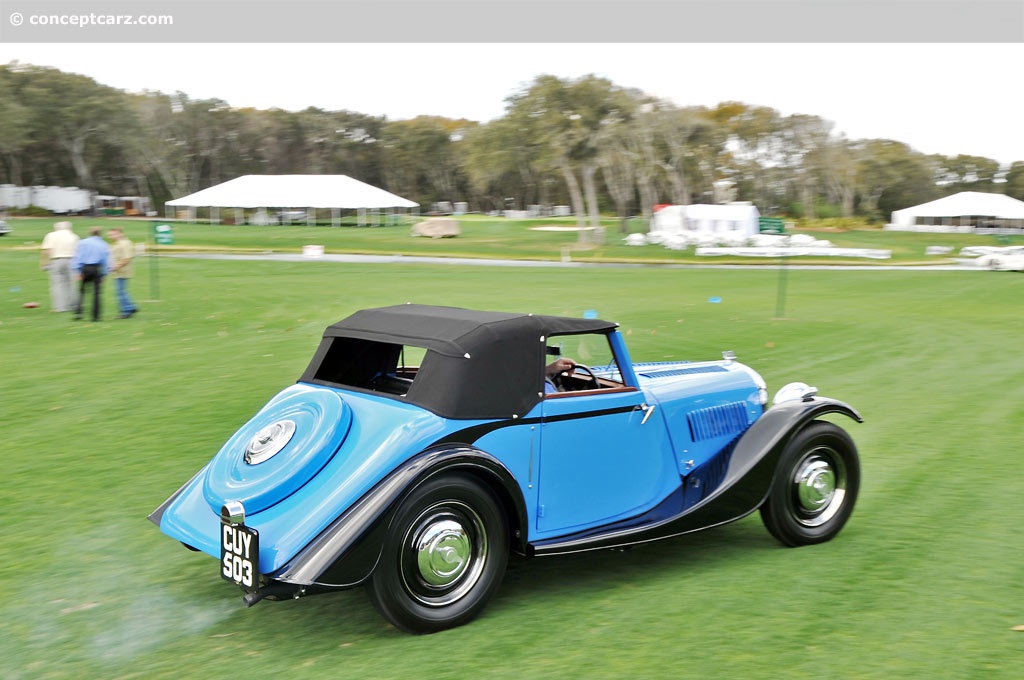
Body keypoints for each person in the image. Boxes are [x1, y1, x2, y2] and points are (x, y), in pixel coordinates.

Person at [40, 220, 80, 312]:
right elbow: (78, 251)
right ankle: (73, 305)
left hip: (56, 260)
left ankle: (60, 307)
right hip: (72, 260)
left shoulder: (51, 235)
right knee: (71, 284)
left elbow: (46, 250)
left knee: (58, 284)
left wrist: (44, 262)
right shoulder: (74, 236)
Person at [72, 227, 110, 321]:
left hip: (86, 267)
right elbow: (105, 260)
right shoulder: (103, 244)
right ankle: (95, 316)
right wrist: (104, 273)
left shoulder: (83, 242)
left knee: (82, 291)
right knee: (97, 293)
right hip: (96, 268)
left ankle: (79, 312)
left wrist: (78, 270)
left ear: (90, 233)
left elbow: (79, 257)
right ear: (100, 234)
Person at [108, 227, 138, 318]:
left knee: (120, 291)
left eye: (113, 234)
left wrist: (117, 266)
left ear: (120, 234)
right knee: (122, 291)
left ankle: (126, 311)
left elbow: (127, 258)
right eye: (110, 235)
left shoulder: (125, 243)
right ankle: (131, 307)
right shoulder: (117, 243)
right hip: (118, 271)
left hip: (122, 271)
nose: (111, 236)